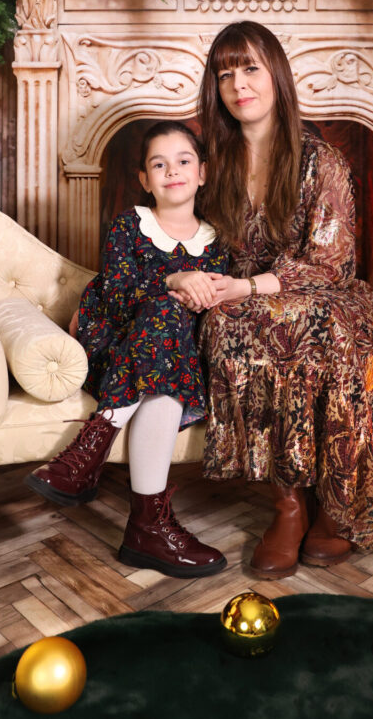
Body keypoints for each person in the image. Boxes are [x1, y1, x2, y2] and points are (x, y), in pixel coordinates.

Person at [193, 21, 373, 580]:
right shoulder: (210, 165)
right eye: (225, 73)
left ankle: (334, 507)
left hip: (328, 297)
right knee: (228, 325)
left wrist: (253, 286)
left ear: (277, 76)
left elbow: (331, 264)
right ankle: (288, 507)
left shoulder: (322, 160)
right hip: (248, 302)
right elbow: (194, 244)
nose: (238, 84)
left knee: (320, 329)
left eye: (250, 68)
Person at [26, 121, 228, 578]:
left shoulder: (216, 244)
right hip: (113, 344)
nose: (171, 171)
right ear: (144, 179)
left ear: (202, 173)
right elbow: (116, 295)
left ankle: (90, 457)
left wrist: (186, 297)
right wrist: (172, 280)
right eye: (159, 164)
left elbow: (207, 305)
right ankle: (147, 525)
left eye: (183, 162)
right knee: (164, 315)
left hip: (167, 358)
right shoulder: (130, 225)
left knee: (170, 330)